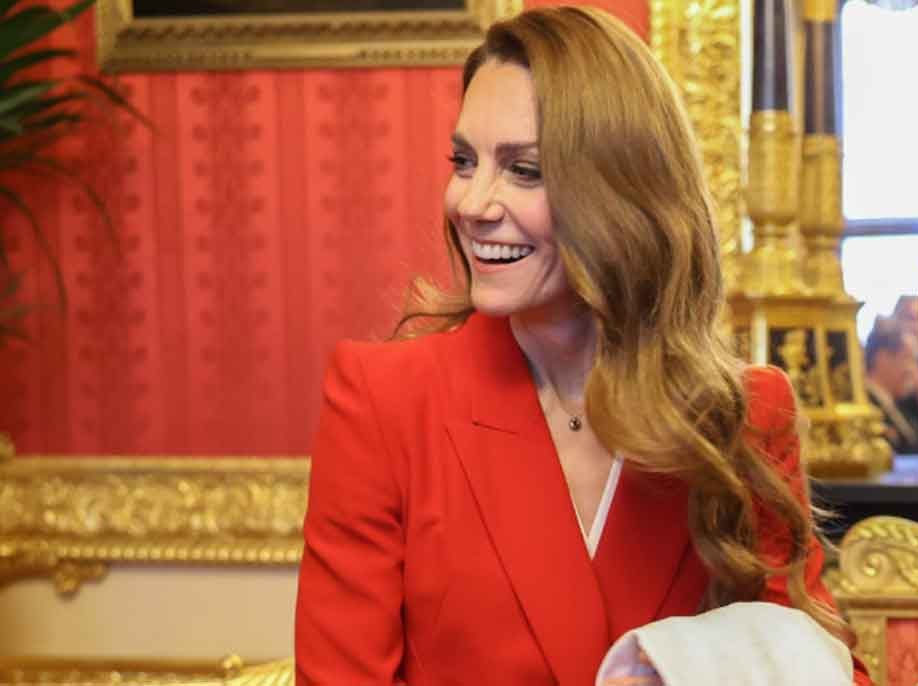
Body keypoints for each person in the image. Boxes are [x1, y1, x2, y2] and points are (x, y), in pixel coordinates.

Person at [294, 7, 871, 686]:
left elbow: (817, 668)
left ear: (624, 193)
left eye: (524, 170)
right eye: (464, 162)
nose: (472, 204)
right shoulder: (385, 401)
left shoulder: (742, 414)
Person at [864, 316, 918, 455]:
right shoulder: (864, 405)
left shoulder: (906, 404)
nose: (913, 370)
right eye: (908, 358)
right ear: (883, 358)